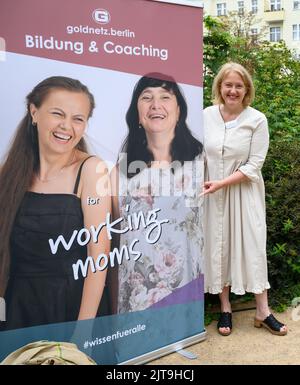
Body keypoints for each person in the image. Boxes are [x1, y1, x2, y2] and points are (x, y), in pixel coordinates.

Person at [0, 76, 111, 330]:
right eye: (58, 114)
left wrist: (83, 334)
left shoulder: (92, 170)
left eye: (78, 119)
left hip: (72, 307)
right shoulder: (8, 174)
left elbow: (98, 258)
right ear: (34, 112)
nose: (67, 126)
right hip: (18, 307)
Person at [203, 62, 287, 336]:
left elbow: (254, 165)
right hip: (212, 197)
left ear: (247, 89)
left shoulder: (257, 119)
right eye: (228, 85)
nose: (233, 90)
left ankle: (263, 311)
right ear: (219, 87)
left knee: (252, 248)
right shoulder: (205, 116)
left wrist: (222, 183)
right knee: (219, 247)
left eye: (239, 86)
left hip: (244, 195)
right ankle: (225, 308)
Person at [110, 73, 204, 313]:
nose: (156, 105)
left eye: (165, 96)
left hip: (186, 292)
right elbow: (112, 239)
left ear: (179, 110)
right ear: (137, 113)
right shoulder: (120, 171)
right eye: (146, 97)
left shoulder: (200, 162)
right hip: (137, 298)